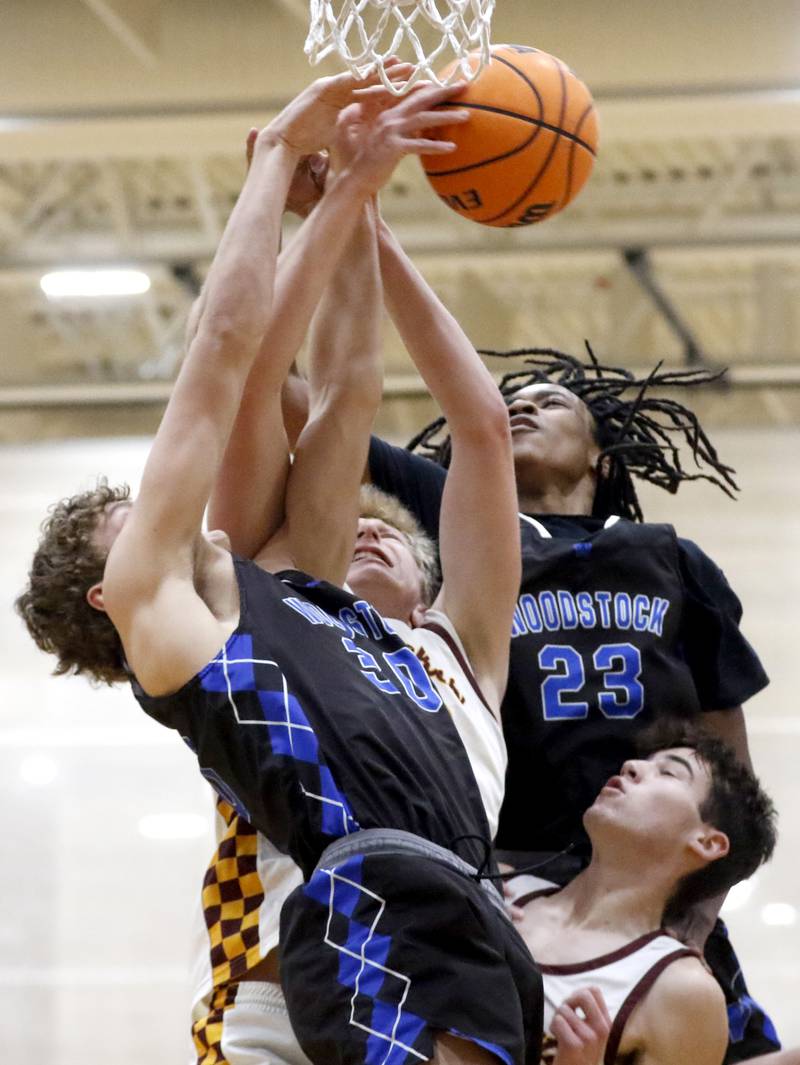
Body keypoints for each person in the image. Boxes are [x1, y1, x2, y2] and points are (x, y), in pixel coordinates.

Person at [17, 75, 542, 1065]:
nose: (180, 508)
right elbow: (243, 362)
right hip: (293, 966)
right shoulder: (226, 601)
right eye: (143, 513)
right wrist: (322, 189)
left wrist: (357, 195)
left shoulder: (360, 628)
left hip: (450, 935)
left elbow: (348, 388)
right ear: (110, 590)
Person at [364, 343, 777, 1061]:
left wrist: (703, 906)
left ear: (603, 459)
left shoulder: (670, 556)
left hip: (648, 882)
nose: (522, 405)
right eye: (511, 399)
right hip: (512, 871)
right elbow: (319, 418)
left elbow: (725, 753)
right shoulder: (464, 518)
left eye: (551, 401)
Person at [504, 725, 777, 1065]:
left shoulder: (681, 990)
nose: (631, 765)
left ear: (707, 842)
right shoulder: (500, 887)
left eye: (669, 772)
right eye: (644, 761)